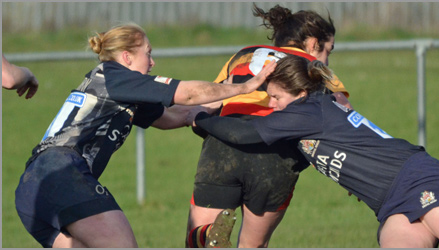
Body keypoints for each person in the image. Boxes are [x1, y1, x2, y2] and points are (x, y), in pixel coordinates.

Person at [14, 23, 275, 248]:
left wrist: (230, 95)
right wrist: (246, 85)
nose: (152, 62)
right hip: (61, 174)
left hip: (31, 190)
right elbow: (188, 94)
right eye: (148, 54)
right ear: (126, 57)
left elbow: (180, 115)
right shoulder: (116, 76)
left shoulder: (121, 90)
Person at [192, 55, 439, 248]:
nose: (271, 105)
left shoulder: (307, 110)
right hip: (391, 203)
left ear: (301, 94)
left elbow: (243, 133)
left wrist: (199, 117)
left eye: (276, 97)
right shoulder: (311, 109)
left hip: (420, 180)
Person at [186, 4, 352, 248]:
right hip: (276, 153)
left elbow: (212, 99)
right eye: (329, 50)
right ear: (314, 43)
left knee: (199, 241)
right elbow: (344, 113)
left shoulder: (244, 54)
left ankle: (209, 236)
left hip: (224, 144)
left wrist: (196, 120)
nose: (327, 58)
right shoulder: (315, 67)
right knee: (253, 245)